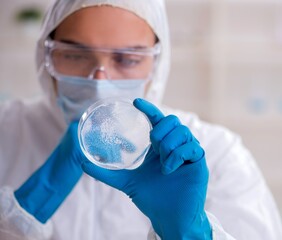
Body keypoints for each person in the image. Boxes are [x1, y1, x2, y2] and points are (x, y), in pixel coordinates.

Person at [0, 0, 281, 239]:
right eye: (74, 54)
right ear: (45, 55)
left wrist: (190, 232)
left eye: (128, 59)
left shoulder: (217, 152)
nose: (99, 78)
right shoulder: (6, 130)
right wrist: (28, 206)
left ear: (157, 64)